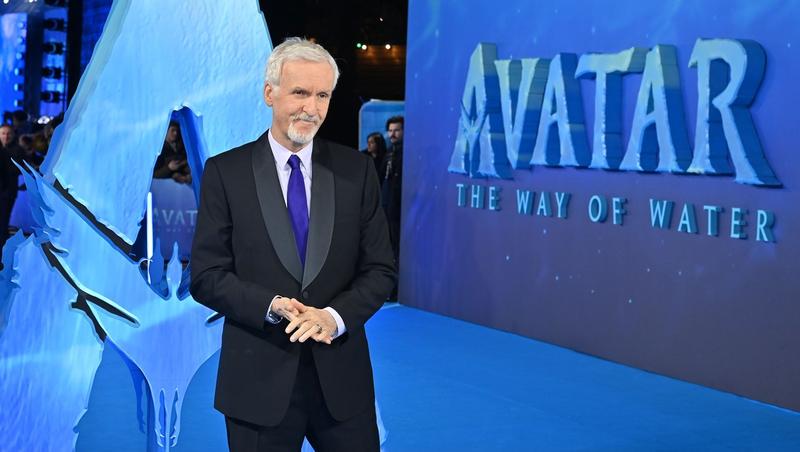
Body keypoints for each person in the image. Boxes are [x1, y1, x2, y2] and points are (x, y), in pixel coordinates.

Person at [190, 38, 396, 452]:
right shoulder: (226, 173)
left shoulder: (357, 171)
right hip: (257, 384)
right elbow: (207, 276)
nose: (311, 108)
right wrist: (270, 305)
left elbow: (380, 271)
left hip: (343, 385)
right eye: (300, 92)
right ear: (270, 93)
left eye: (322, 95)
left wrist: (333, 317)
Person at [378, 116, 403, 289]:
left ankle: (395, 287)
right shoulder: (388, 153)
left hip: (398, 210)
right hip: (384, 207)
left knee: (396, 247)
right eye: (390, 130)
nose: (392, 134)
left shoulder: (406, 155)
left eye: (397, 130)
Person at [0, 125, 22, 252]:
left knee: (3, 221)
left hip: (8, 192)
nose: (6, 136)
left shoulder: (18, 150)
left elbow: (18, 169)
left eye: (8, 133)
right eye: (3, 133)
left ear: (13, 135)